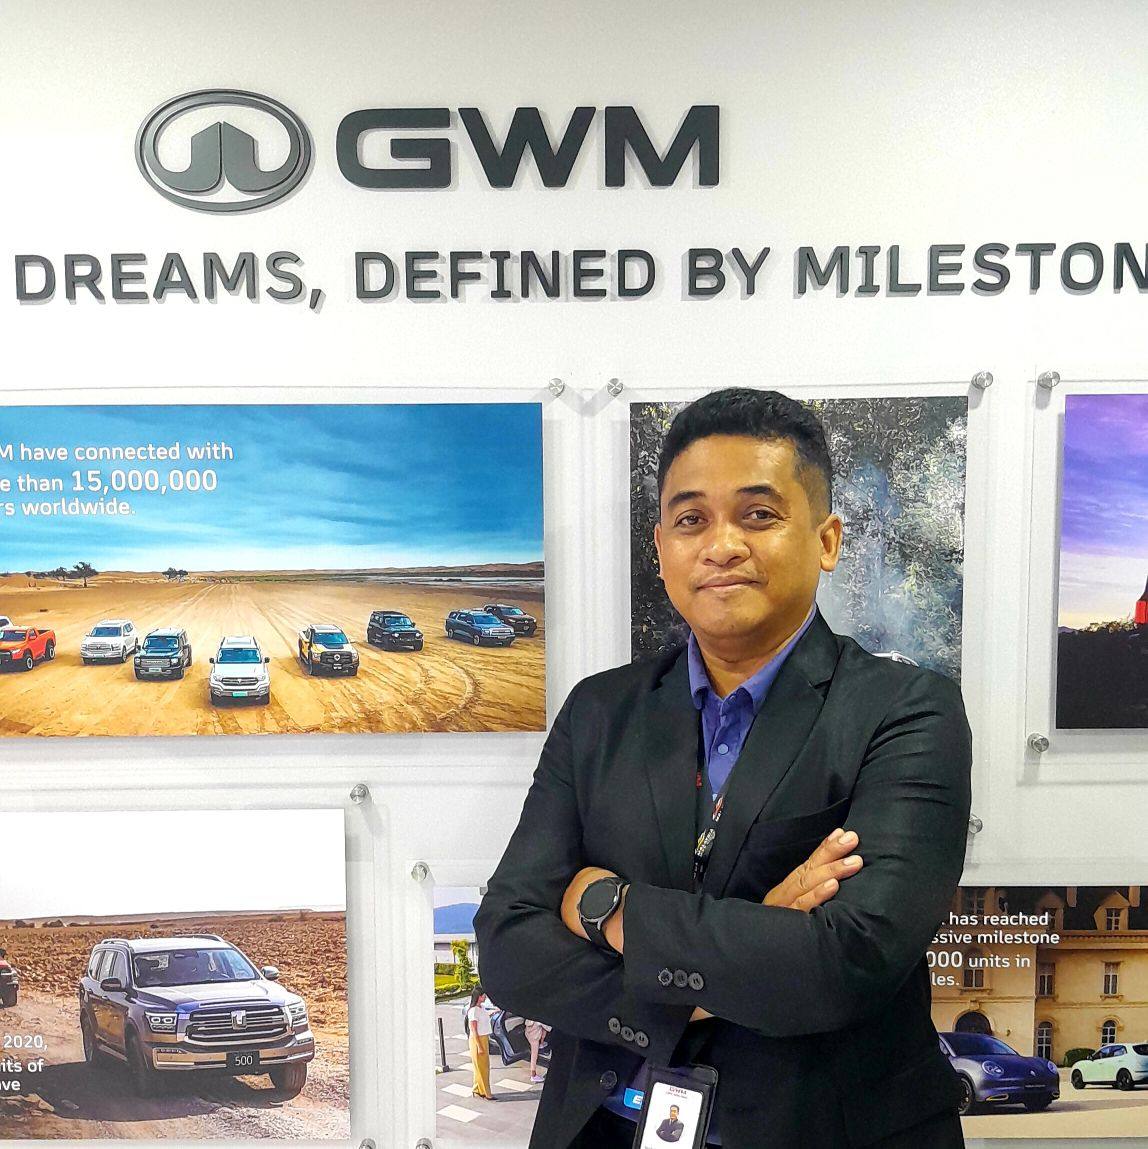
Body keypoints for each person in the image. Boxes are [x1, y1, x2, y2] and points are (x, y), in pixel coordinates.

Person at [475, 388, 972, 1148]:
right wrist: (739, 955)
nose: (722, 545)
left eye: (759, 514)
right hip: (605, 1127)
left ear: (827, 540)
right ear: (661, 549)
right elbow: (510, 946)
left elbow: (846, 960)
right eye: (691, 519)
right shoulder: (600, 712)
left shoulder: (906, 711)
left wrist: (609, 909)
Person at [466, 985, 495, 1101]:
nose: (485, 997)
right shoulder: (473, 1011)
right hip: (477, 1040)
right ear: (479, 997)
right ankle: (486, 1093)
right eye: (484, 996)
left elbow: (487, 1015)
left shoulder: (481, 1008)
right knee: (482, 1067)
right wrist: (479, 1046)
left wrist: (496, 1011)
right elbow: (473, 1030)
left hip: (484, 1038)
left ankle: (477, 1089)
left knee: (482, 1066)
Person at [525, 1018, 550, 1083]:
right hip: (534, 1039)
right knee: (534, 1056)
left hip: (529, 1035)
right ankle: (533, 1075)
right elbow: (548, 1028)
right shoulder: (539, 1020)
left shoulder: (529, 1018)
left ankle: (541, 1044)